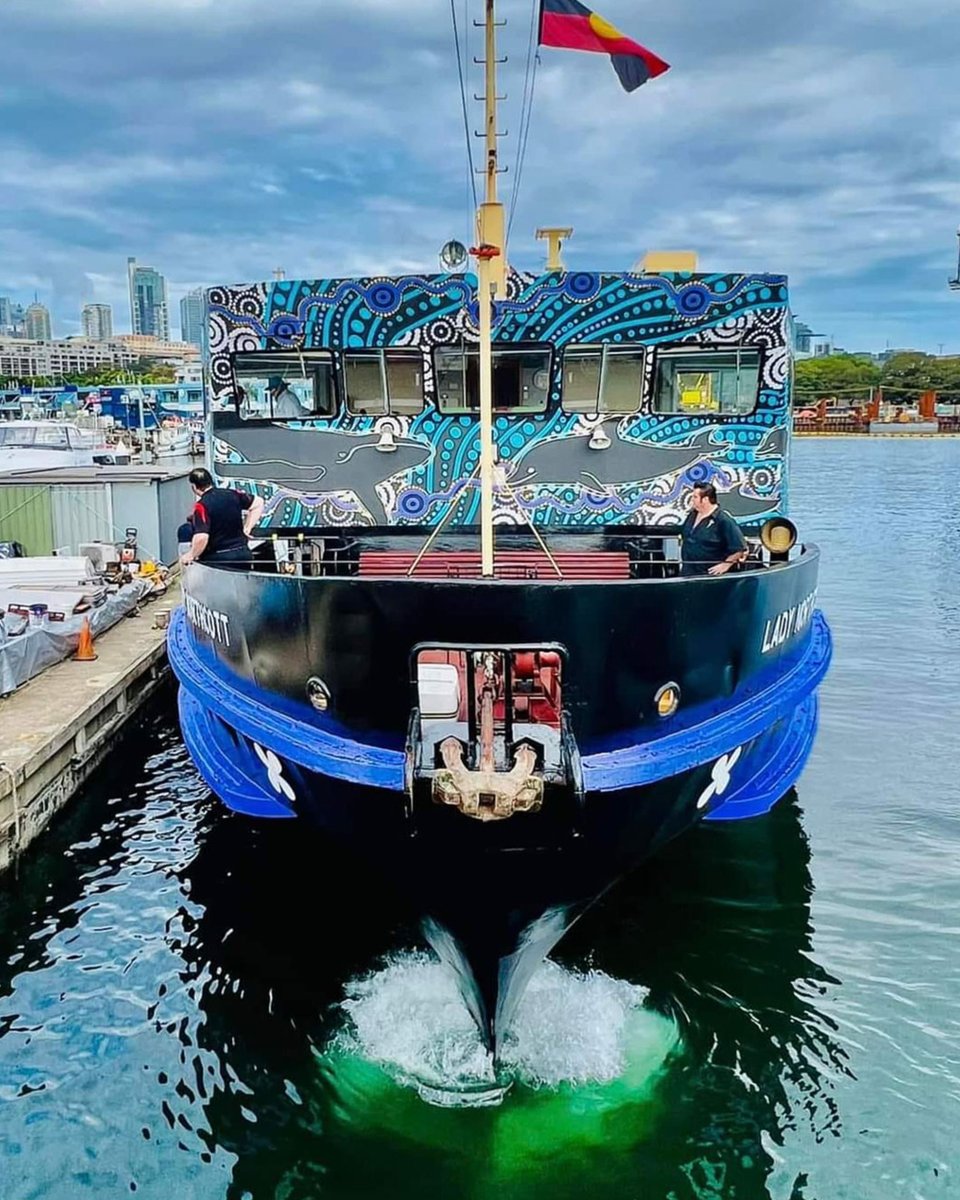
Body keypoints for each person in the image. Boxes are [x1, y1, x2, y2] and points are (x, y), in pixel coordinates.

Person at [180, 467, 265, 568]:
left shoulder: (201, 506)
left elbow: (202, 537)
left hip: (219, 558)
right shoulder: (233, 494)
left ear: (194, 487)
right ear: (211, 481)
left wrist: (191, 555)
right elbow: (258, 503)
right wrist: (247, 528)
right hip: (242, 554)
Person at [679, 482, 747, 577]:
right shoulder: (692, 515)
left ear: (705, 499)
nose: (692, 500)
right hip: (688, 573)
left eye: (695, 497)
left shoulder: (723, 520)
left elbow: (739, 548)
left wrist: (725, 565)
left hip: (709, 575)